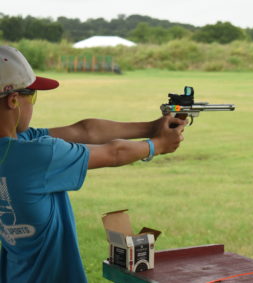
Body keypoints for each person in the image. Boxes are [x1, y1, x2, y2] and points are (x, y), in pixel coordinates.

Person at [0, 46, 187, 283]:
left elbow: (83, 131)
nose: (34, 103)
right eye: (33, 95)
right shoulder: (38, 154)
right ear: (14, 100)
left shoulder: (21, 145)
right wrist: (157, 146)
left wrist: (153, 127)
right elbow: (114, 153)